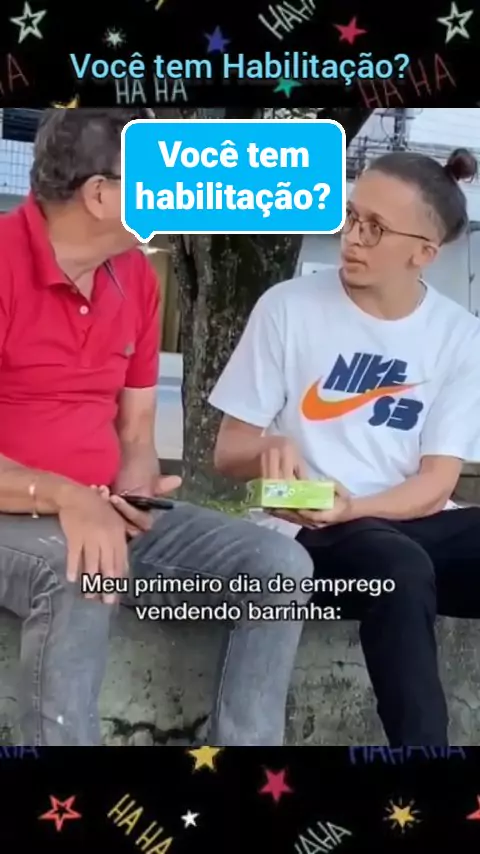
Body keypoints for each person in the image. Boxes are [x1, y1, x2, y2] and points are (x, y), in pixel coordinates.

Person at [0, 108, 315, 747]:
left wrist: (134, 492)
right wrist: (66, 497)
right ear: (100, 194)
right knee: (83, 569)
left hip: (100, 508)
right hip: (21, 514)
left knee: (278, 564)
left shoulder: (136, 276)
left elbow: (137, 430)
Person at [210, 146, 480, 747]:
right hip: (308, 533)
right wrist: (271, 449)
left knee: (405, 557)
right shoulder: (287, 307)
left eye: (375, 228)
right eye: (351, 217)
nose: (352, 238)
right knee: (398, 569)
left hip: (401, 520)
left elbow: (436, 485)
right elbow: (229, 451)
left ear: (424, 253)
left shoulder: (460, 337)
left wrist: (354, 506)